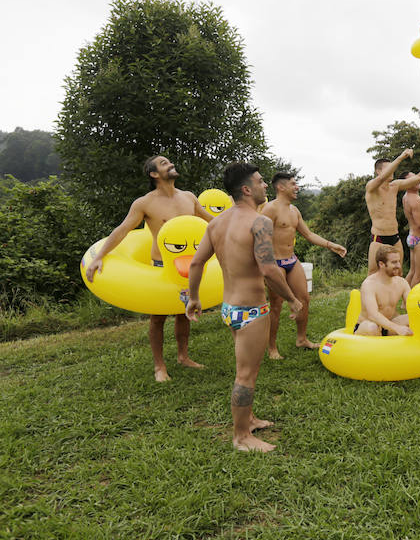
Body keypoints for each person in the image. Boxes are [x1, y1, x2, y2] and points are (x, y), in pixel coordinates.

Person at [185, 163, 304, 453]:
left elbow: (196, 262)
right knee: (246, 374)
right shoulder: (259, 222)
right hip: (252, 310)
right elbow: (268, 268)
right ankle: (241, 437)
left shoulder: (216, 223)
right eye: (261, 182)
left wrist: (193, 297)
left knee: (247, 369)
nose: (266, 186)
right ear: (247, 189)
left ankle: (248, 419)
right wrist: (291, 298)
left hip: (230, 309)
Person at [84, 155, 212, 382]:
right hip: (162, 266)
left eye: (170, 162)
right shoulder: (145, 203)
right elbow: (123, 230)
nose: (170, 164)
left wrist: (238, 225)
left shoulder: (189, 197)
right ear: (154, 174)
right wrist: (99, 256)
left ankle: (183, 356)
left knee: (184, 314)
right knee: (158, 317)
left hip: (190, 264)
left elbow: (211, 221)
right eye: (164, 163)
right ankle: (159, 367)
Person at [260, 172, 347, 359]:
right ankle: (272, 348)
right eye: (293, 184)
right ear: (281, 187)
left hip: (292, 260)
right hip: (275, 263)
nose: (297, 187)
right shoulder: (270, 209)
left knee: (304, 299)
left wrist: (331, 245)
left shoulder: (294, 211)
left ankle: (302, 339)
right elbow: (261, 241)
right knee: (276, 305)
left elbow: (308, 235)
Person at [365, 149, 420, 274]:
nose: (392, 170)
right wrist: (400, 157)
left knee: (398, 273)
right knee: (373, 274)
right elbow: (382, 177)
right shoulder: (371, 187)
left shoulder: (394, 186)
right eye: (389, 168)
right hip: (379, 238)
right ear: (378, 171)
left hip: (395, 237)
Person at [355, 246, 413, 336]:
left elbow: (413, 307)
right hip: (368, 325)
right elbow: (372, 315)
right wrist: (397, 328)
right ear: (381, 264)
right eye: (394, 262)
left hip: (388, 324)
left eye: (398, 261)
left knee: (415, 319)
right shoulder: (369, 284)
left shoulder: (402, 283)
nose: (398, 265)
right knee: (372, 328)